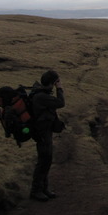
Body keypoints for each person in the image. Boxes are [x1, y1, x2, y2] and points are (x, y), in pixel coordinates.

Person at [30, 70, 65, 201]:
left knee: (46, 159)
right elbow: (61, 103)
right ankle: (36, 190)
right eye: (55, 82)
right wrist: (59, 89)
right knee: (44, 160)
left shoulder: (40, 93)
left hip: (44, 130)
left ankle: (43, 188)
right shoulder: (41, 97)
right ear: (52, 83)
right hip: (42, 132)